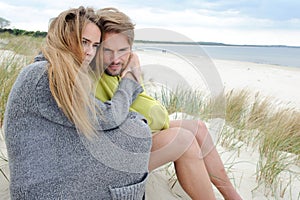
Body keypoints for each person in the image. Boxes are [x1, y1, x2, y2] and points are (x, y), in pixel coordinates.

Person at [4, 6, 152, 199]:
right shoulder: (44, 75)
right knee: (137, 133)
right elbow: (106, 117)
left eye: (95, 45)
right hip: (41, 191)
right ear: (65, 37)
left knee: (134, 132)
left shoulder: (52, 71)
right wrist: (131, 78)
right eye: (84, 42)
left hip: (48, 178)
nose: (90, 51)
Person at [95, 8, 243, 200]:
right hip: (117, 155)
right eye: (107, 50)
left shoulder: (116, 71)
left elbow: (143, 107)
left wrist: (132, 70)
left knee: (198, 127)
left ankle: (233, 196)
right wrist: (132, 73)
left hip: (138, 137)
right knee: (183, 140)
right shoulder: (96, 75)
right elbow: (128, 118)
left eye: (123, 50)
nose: (115, 59)